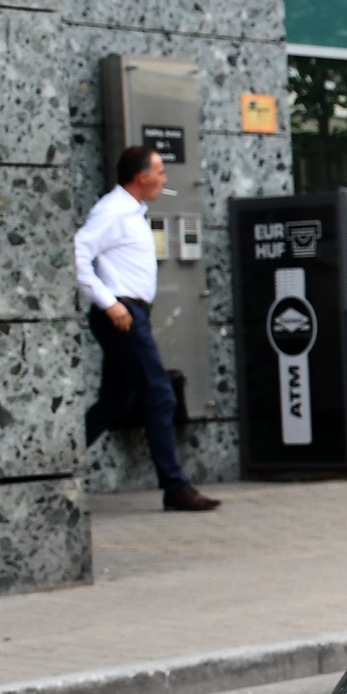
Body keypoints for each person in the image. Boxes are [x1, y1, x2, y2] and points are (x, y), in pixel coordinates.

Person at [75, 146, 219, 511]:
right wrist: (110, 303)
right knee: (160, 394)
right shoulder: (112, 211)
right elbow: (76, 253)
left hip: (130, 313)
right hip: (122, 316)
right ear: (142, 177)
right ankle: (175, 486)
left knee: (114, 402)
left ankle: (57, 464)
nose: (164, 179)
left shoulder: (131, 213)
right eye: (160, 172)